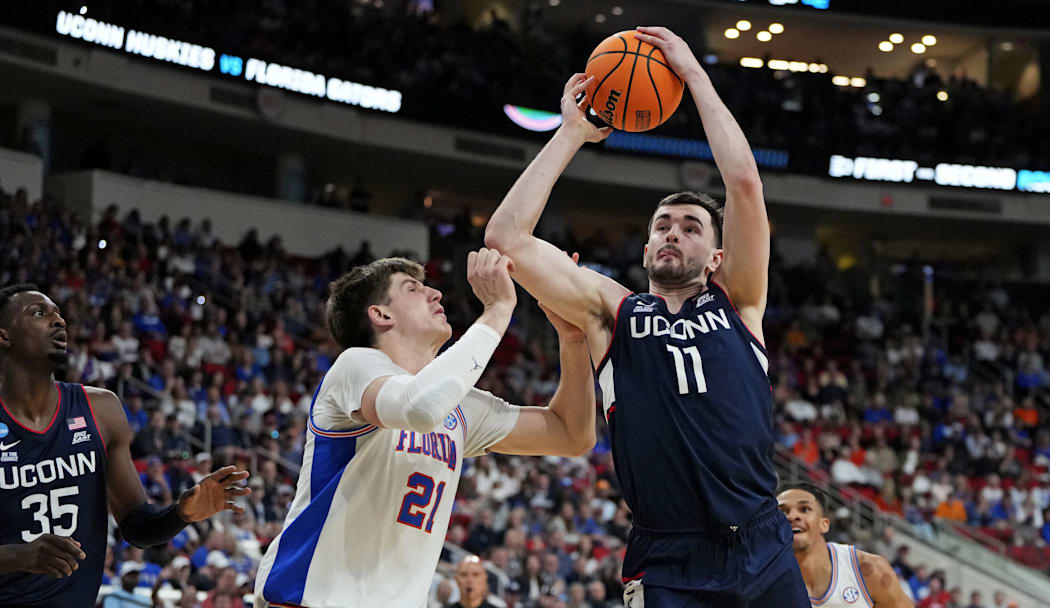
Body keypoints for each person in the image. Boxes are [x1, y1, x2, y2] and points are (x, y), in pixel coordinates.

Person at [486, 26, 803, 606]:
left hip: (763, 544)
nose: (671, 234)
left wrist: (695, 77)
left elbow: (744, 184)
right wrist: (572, 133)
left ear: (717, 256)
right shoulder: (612, 311)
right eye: (661, 226)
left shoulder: (741, 302)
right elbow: (506, 237)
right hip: (668, 557)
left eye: (689, 228)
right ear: (645, 249)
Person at [254, 253, 597, 607]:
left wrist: (572, 338)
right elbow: (417, 407)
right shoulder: (354, 366)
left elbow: (572, 434)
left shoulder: (458, 406)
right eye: (413, 289)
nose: (435, 294)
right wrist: (497, 309)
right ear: (381, 314)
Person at [0, 284, 250, 608]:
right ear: (3, 336)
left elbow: (137, 527)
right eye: (39, 313)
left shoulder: (100, 409)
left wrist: (181, 513)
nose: (58, 320)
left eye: (58, 313)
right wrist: (17, 555)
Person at [777, 484, 914, 608]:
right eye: (783, 511)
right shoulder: (763, 581)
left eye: (804, 509)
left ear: (824, 524)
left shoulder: (868, 569)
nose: (792, 516)